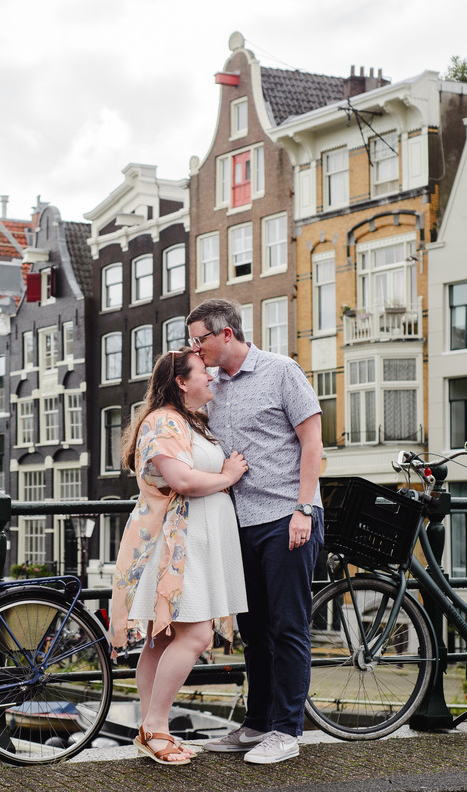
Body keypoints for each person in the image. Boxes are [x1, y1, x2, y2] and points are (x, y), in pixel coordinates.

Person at [186, 298, 324, 766]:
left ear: (226, 334)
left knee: (288, 626)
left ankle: (287, 731)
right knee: (254, 630)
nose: (194, 348)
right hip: (238, 522)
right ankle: (258, 722)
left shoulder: (281, 371)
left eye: (199, 339)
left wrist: (304, 509)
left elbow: (312, 442)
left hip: (286, 516)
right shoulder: (212, 386)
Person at [109, 347, 249, 766]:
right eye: (202, 371)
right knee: (195, 636)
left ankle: (151, 730)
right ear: (182, 382)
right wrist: (227, 475)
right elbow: (181, 479)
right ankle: (156, 727)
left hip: (193, 540)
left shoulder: (187, 422)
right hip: (178, 545)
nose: (210, 376)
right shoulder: (164, 421)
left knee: (165, 636)